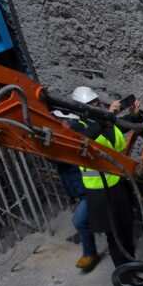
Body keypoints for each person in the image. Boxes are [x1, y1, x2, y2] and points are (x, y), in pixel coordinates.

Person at [70, 86, 143, 275]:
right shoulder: (79, 128)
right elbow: (88, 138)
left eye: (96, 103)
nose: (96, 107)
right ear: (81, 109)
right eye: (91, 105)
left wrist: (135, 114)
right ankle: (125, 275)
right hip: (100, 192)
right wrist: (106, 118)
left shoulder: (106, 122)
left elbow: (128, 124)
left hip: (119, 185)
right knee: (115, 235)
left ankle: (131, 267)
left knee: (126, 229)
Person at [51, 108, 99, 271]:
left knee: (79, 221)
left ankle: (90, 253)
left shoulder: (76, 139)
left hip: (89, 191)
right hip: (81, 191)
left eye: (59, 122)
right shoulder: (62, 140)